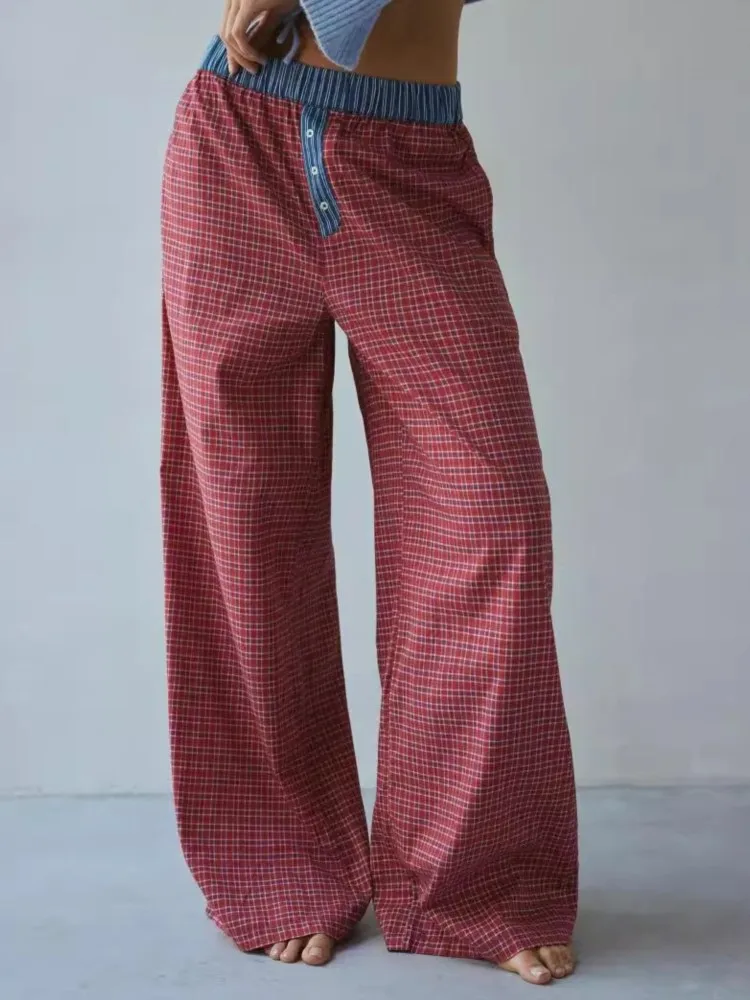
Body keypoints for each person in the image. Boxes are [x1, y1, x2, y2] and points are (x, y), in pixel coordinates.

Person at [160, 0, 578, 986]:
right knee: (244, 525)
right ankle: (283, 863)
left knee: (493, 519)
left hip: (412, 162)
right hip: (236, 139)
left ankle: (475, 880)